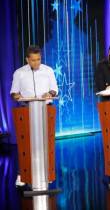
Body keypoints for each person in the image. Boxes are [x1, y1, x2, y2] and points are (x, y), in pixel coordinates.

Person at [9, 45, 59, 188]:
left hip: (45, 109)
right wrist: (16, 95)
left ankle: (47, 174)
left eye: (38, 59)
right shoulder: (19, 73)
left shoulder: (48, 70)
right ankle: (22, 175)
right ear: (27, 59)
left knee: (47, 143)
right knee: (26, 145)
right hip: (26, 110)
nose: (36, 63)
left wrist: (50, 94)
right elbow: (13, 92)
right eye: (33, 60)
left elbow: (54, 89)